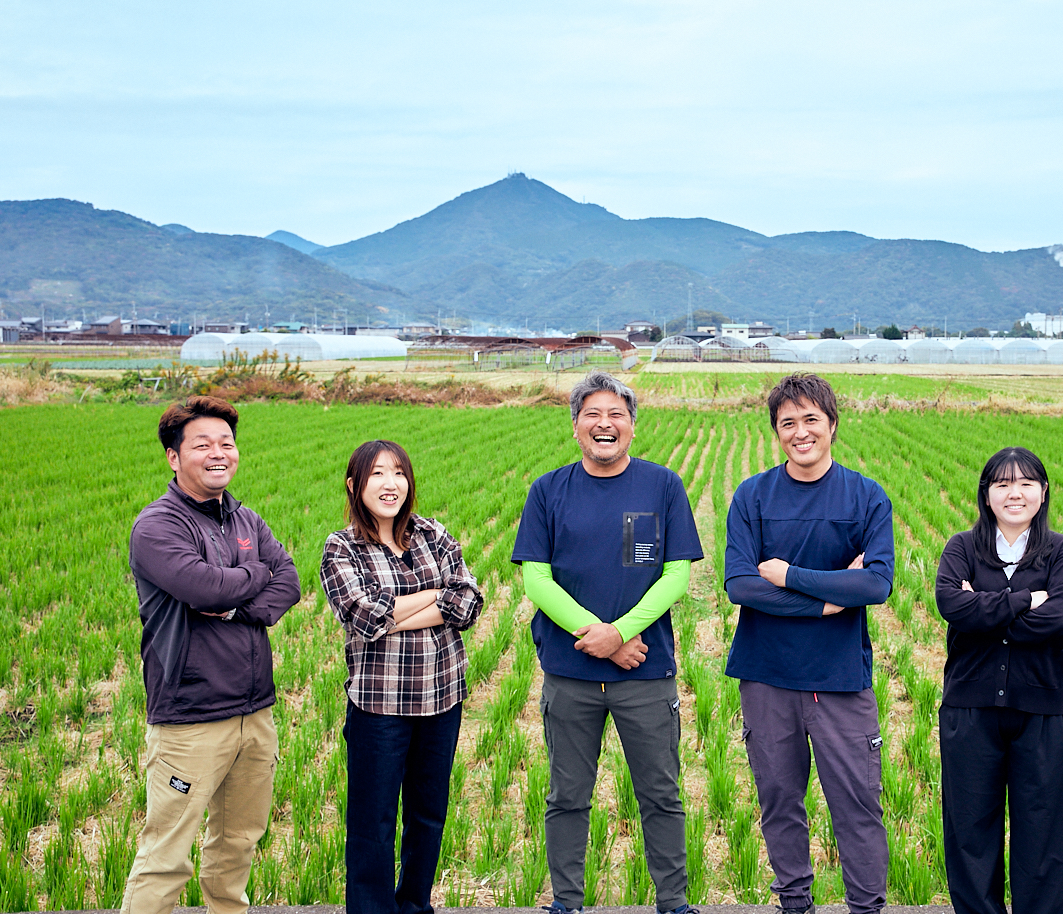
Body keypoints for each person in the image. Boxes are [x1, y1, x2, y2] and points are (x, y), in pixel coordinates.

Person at [510, 372, 704, 914]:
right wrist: (598, 636)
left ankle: (673, 902)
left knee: (661, 794)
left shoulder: (662, 485)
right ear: (575, 426)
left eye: (616, 414)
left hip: (645, 671)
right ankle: (566, 902)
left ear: (633, 426)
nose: (605, 424)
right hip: (570, 673)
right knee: (567, 796)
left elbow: (676, 576)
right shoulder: (548, 490)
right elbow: (536, 580)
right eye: (592, 414)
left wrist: (618, 634)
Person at [123, 396, 301, 914]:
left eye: (226, 442)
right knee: (166, 855)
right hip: (190, 717)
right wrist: (255, 574)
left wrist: (236, 603)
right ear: (174, 457)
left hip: (254, 711)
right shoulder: (158, 526)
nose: (218, 453)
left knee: (238, 843)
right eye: (202, 444)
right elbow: (203, 587)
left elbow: (288, 581)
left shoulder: (246, 519)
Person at [723, 373, 893, 914]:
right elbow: (739, 585)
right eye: (787, 423)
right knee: (779, 801)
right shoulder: (752, 496)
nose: (801, 432)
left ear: (832, 424)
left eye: (811, 419)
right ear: (776, 432)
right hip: (767, 675)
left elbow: (876, 585)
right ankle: (793, 903)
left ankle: (866, 908)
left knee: (858, 804)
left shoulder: (866, 496)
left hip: (840, 678)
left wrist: (789, 575)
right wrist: (826, 601)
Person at [320, 440, 484, 914]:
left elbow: (468, 602)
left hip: (442, 698)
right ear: (354, 485)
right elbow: (363, 617)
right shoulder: (342, 547)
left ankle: (414, 906)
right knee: (372, 822)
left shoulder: (433, 533)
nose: (389, 484)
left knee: (428, 815)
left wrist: (395, 609)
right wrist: (435, 595)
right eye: (376, 474)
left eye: (398, 473)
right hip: (379, 706)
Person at [934, 447, 1063, 914]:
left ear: (1043, 492)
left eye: (1025, 483)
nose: (1014, 493)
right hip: (970, 709)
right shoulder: (962, 548)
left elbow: (1060, 617)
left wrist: (983, 608)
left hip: (1045, 712)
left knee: (1045, 837)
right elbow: (951, 605)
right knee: (969, 833)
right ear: (986, 495)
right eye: (1002, 484)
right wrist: (1024, 600)